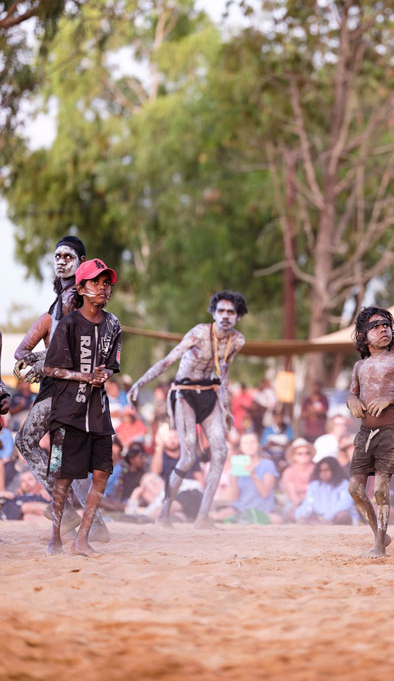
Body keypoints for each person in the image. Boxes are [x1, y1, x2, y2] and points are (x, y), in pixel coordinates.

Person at [13, 237, 108, 541]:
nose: (61, 260)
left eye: (68, 256)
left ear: (82, 261)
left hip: (67, 386)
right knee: (65, 456)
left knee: (27, 442)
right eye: (57, 256)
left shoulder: (77, 297)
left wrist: (41, 361)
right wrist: (34, 358)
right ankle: (95, 526)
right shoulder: (59, 303)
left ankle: (67, 512)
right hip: (63, 385)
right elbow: (25, 350)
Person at [128, 290, 247, 527]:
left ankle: (202, 517)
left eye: (230, 312)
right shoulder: (199, 333)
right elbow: (168, 360)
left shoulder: (237, 341)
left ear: (238, 316)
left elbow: (224, 374)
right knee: (188, 456)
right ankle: (164, 513)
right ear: (213, 313)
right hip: (184, 394)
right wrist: (139, 383)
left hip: (208, 394)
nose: (225, 316)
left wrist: (226, 408)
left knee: (221, 452)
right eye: (221, 311)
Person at [44, 258, 121, 556]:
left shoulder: (114, 324)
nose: (102, 288)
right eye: (95, 282)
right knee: (62, 477)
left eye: (106, 283)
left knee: (102, 472)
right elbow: (50, 368)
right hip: (67, 414)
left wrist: (105, 374)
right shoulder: (68, 323)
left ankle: (82, 539)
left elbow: (113, 364)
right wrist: (84, 376)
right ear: (81, 288)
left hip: (98, 413)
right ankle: (55, 538)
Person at [346, 306, 394, 558]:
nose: (383, 329)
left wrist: (391, 398)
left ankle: (379, 542)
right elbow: (352, 394)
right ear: (363, 336)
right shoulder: (359, 366)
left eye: (386, 325)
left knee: (380, 489)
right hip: (365, 433)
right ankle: (380, 534)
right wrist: (351, 401)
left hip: (389, 432)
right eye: (375, 327)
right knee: (355, 489)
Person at [212, 431, 282, 523]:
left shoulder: (267, 464)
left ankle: (243, 519)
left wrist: (253, 475)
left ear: (258, 445)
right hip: (240, 508)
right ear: (241, 447)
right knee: (216, 517)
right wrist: (234, 478)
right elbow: (235, 497)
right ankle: (243, 518)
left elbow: (265, 493)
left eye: (253, 442)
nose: (249, 446)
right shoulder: (237, 465)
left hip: (263, 510)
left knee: (277, 519)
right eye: (245, 443)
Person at [295, 457, 356, 524]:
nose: (323, 473)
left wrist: (327, 517)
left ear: (334, 470)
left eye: (326, 470)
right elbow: (308, 504)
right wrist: (303, 516)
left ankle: (328, 526)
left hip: (335, 518)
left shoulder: (344, 484)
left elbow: (344, 504)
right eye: (320, 471)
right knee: (298, 513)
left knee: (343, 515)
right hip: (319, 517)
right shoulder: (314, 485)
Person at [280, 437, 316, 516]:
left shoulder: (316, 469)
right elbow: (293, 496)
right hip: (295, 503)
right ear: (294, 456)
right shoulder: (288, 472)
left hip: (315, 502)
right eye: (300, 453)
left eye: (307, 453)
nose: (304, 455)